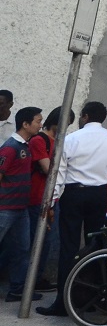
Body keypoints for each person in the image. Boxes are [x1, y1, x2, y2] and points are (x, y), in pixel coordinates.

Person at [38, 101, 107, 318]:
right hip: (98, 196)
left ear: (85, 116)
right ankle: (92, 297)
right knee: (96, 248)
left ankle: (62, 301)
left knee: (69, 248)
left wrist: (51, 202)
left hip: (73, 194)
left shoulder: (70, 139)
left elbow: (59, 173)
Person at [0, 106, 42, 303]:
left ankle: (17, 289)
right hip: (5, 208)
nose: (40, 125)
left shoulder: (26, 146)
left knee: (21, 249)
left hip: (20, 208)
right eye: (37, 121)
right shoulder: (10, 147)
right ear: (25, 124)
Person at [27, 106, 65, 292]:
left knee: (46, 241)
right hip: (38, 198)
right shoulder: (39, 140)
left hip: (52, 198)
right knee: (37, 239)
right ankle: (30, 279)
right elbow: (48, 169)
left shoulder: (56, 141)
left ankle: (37, 277)